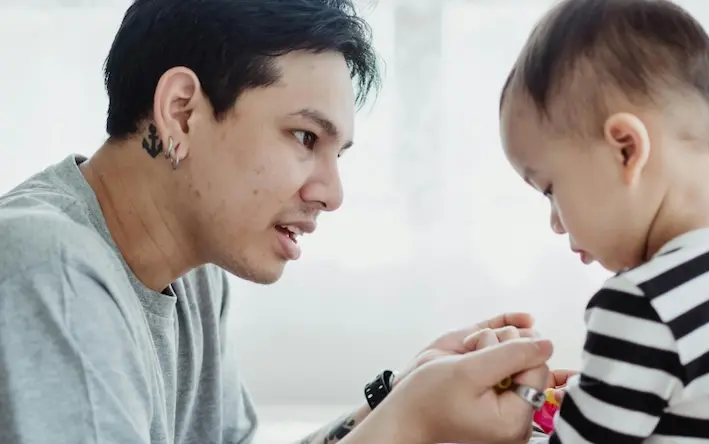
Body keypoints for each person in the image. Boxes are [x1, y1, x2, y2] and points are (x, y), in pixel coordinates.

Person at [0, 1, 558, 444]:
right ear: (182, 112)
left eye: (337, 155)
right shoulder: (47, 265)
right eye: (305, 137)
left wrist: (395, 398)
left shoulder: (194, 274)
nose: (332, 195)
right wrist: (408, 425)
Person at [498, 0, 709, 442]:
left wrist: (517, 410)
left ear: (625, 149)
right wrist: (599, 397)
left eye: (550, 190)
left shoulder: (641, 306)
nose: (556, 224)